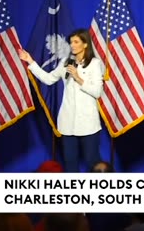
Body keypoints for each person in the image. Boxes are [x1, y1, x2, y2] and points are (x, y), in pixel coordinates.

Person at [19, 28, 104, 172]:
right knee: (70, 164)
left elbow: (97, 92)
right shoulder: (66, 62)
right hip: (67, 123)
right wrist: (30, 62)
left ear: (85, 44)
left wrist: (78, 78)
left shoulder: (94, 64)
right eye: (71, 42)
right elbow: (49, 79)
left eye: (76, 42)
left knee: (92, 163)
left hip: (88, 124)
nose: (72, 45)